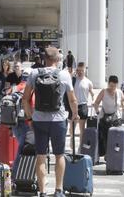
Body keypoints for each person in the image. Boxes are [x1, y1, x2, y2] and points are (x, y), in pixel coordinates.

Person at [22, 47, 78, 197]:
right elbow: (72, 99)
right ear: (58, 60)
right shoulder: (64, 75)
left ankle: (42, 191)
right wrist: (75, 115)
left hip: (39, 119)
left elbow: (25, 99)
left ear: (43, 59)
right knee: (59, 155)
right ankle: (58, 190)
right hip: (58, 120)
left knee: (40, 155)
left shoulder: (34, 73)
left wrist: (30, 116)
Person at [93, 75, 124, 157]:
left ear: (117, 85)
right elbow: (96, 102)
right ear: (108, 84)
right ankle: (107, 154)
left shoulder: (119, 92)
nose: (112, 88)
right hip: (104, 118)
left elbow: (123, 102)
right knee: (105, 138)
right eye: (111, 85)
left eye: (114, 86)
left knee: (115, 137)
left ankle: (114, 154)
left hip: (116, 119)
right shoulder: (104, 91)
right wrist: (97, 111)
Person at [69, 62, 94, 151]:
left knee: (82, 128)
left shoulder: (88, 82)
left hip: (83, 105)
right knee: (72, 127)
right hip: (74, 105)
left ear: (85, 71)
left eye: (81, 70)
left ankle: (80, 146)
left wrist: (93, 101)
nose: (80, 72)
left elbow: (92, 93)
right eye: (78, 70)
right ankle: (72, 139)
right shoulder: (73, 80)